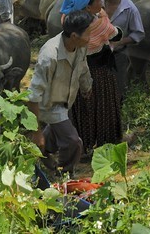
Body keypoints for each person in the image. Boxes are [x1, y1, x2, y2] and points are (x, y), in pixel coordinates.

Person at [26, 10, 94, 176]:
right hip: (49, 105)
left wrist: (87, 87)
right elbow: (33, 95)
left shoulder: (80, 47)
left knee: (56, 134)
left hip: (65, 101)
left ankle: (40, 150)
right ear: (73, 36)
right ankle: (64, 172)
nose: (90, 38)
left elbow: (83, 68)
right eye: (87, 34)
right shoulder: (50, 56)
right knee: (73, 141)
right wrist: (36, 132)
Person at [67, 0, 123, 155]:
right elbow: (116, 34)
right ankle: (107, 141)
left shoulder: (70, 20)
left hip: (77, 71)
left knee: (83, 108)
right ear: (88, 6)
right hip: (100, 71)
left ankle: (84, 145)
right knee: (104, 104)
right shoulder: (97, 22)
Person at [97, 0, 145, 96]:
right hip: (92, 54)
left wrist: (120, 42)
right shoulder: (95, 3)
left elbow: (138, 34)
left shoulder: (130, 9)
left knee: (117, 90)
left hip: (117, 56)